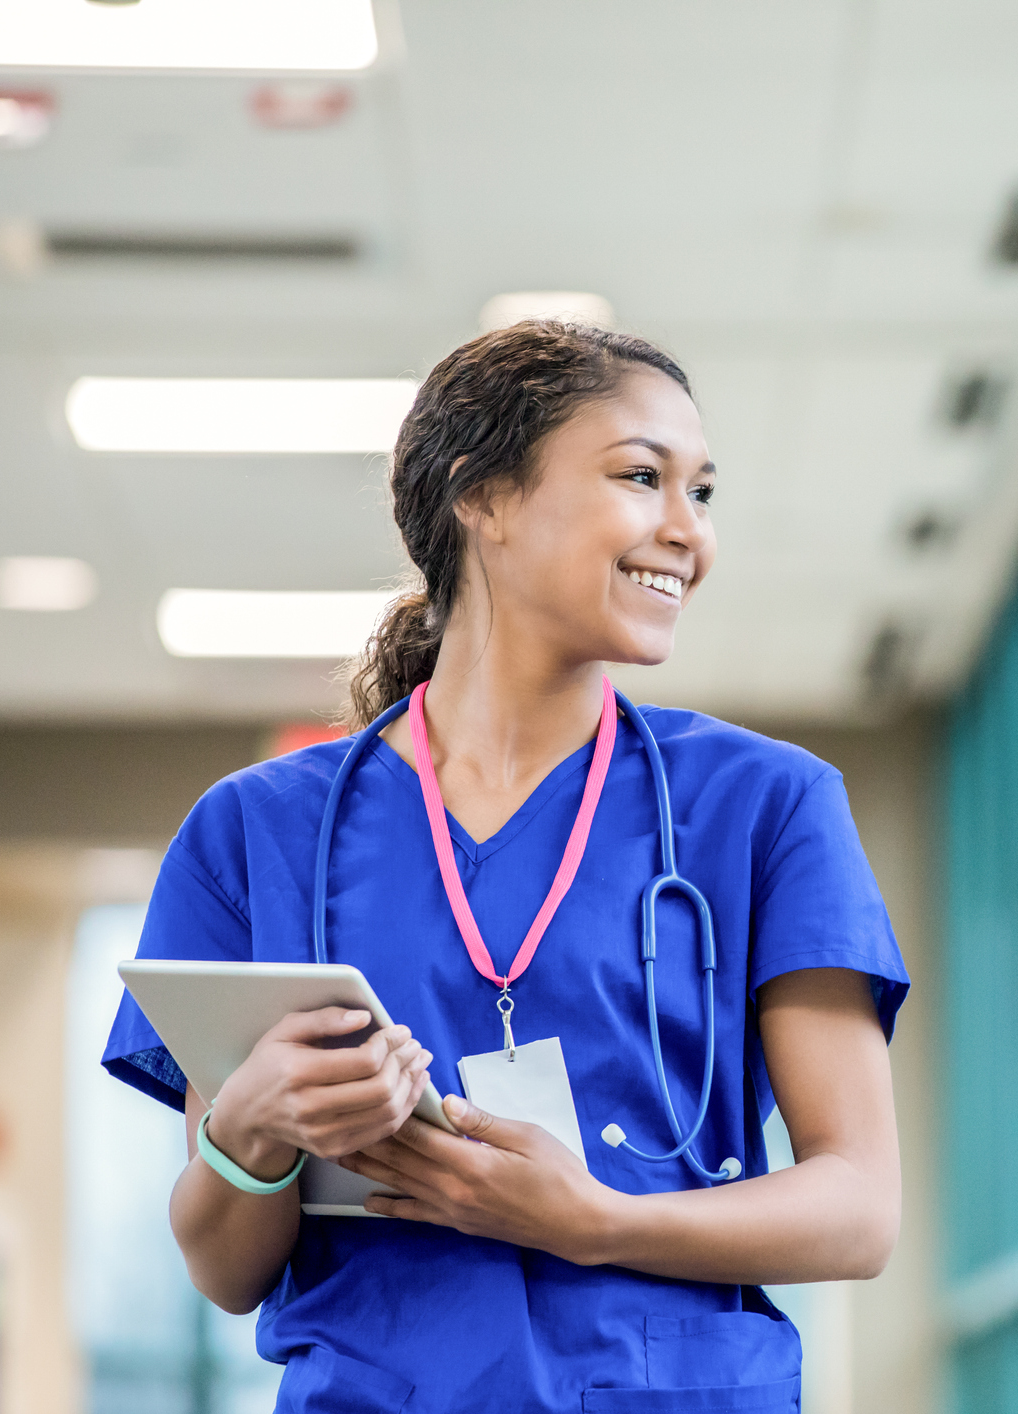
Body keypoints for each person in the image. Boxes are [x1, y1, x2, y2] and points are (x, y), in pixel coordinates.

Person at [100, 321, 908, 1412]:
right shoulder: (258, 832)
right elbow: (224, 1267)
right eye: (640, 477)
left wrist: (592, 1217)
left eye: (702, 493)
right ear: (482, 498)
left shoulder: (765, 806)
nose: (688, 532)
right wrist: (255, 1128)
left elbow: (859, 1208)